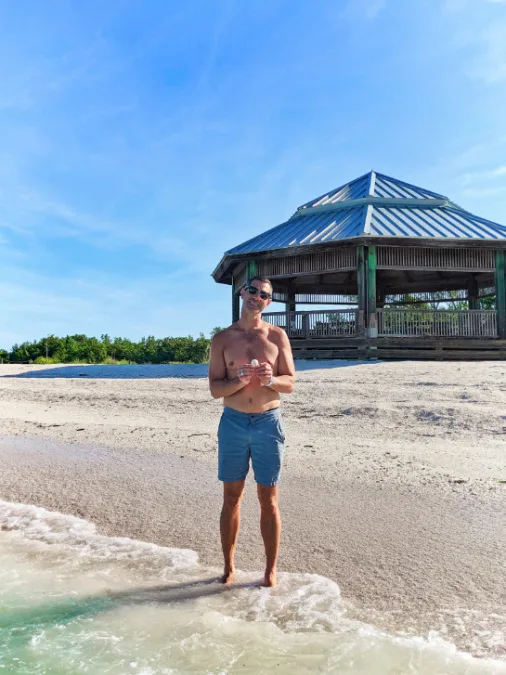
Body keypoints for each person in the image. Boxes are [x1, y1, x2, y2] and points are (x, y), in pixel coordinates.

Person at [208, 276, 295, 587]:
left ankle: (270, 571)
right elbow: (215, 389)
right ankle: (228, 567)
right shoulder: (222, 339)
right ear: (241, 292)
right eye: (252, 290)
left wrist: (271, 379)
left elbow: (291, 383)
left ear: (268, 303)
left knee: (268, 498)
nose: (257, 297)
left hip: (267, 422)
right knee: (231, 497)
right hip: (232, 422)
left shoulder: (276, 336)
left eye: (264, 295)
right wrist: (239, 381)